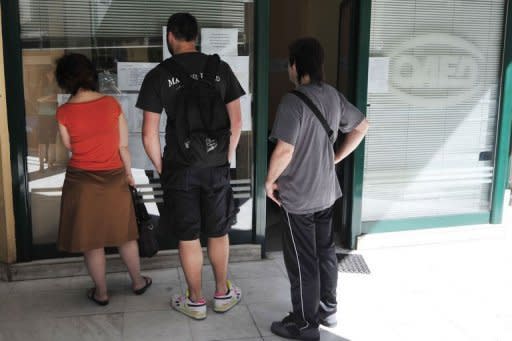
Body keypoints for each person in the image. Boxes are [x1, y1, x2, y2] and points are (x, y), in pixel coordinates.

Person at [137, 13, 244, 320]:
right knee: (219, 231)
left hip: (179, 169)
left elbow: (148, 134)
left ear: (171, 36)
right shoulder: (220, 69)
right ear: (196, 36)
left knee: (188, 235)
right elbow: (236, 123)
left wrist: (163, 169)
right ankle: (222, 293)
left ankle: (195, 300)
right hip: (216, 166)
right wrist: (225, 158)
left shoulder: (159, 74)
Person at [265, 38, 369, 340]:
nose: (288, 68)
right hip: (327, 193)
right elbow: (362, 126)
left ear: (296, 65)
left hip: (298, 197)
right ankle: (328, 308)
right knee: (324, 252)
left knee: (302, 261)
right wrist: (335, 157)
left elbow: (284, 151)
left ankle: (304, 324)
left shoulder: (292, 102)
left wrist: (269, 181)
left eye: (289, 63)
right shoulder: (333, 96)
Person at [55, 53, 152, 306]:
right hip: (113, 178)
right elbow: (123, 147)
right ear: (91, 75)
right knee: (125, 235)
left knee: (91, 241)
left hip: (81, 181)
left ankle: (101, 293)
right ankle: (138, 281)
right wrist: (129, 175)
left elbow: (69, 146)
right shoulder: (110, 104)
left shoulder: (64, 112)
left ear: (64, 80)